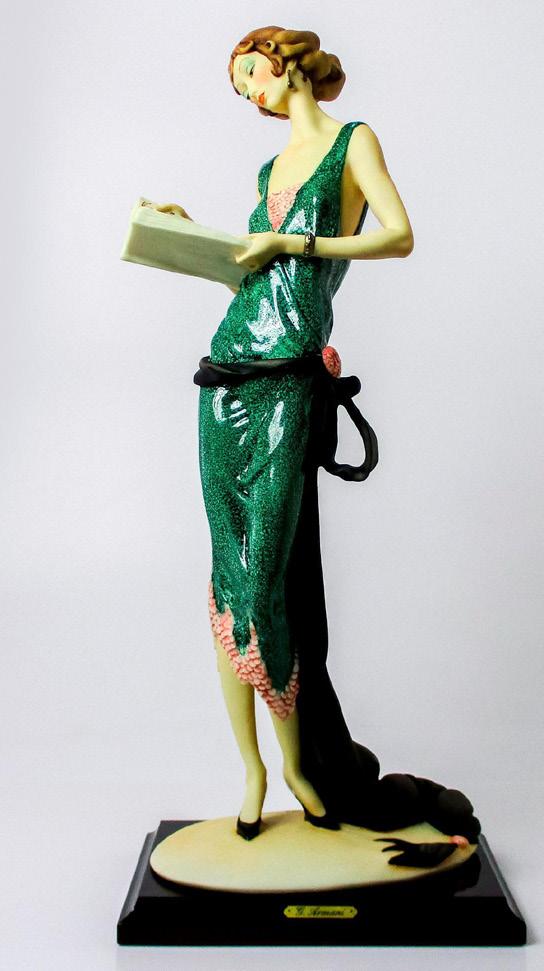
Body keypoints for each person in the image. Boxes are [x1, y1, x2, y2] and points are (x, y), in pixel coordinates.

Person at [159, 26, 480, 850]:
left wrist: (293, 241)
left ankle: (303, 767)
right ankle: (253, 772)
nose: (252, 95)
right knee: (228, 582)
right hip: (225, 377)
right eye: (242, 89)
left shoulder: (351, 143)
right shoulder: (268, 171)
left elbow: (397, 234)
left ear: (287, 60)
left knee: (267, 580)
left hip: (287, 381)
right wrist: (188, 234)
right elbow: (253, 275)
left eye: (253, 74)